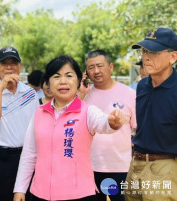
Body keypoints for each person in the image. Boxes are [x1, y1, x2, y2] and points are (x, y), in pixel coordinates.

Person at [13, 55, 126, 201]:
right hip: (40, 194)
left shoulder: (88, 112)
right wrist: (20, 189)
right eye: (56, 76)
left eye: (69, 75)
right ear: (47, 83)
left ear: (79, 81)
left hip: (79, 195)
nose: (63, 81)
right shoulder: (39, 113)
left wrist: (113, 122)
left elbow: (104, 123)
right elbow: (29, 154)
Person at [0, 46, 38, 201]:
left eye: (14, 62)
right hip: (0, 160)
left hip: (26, 158)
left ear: (20, 66)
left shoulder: (30, 94)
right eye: (4, 63)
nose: (9, 67)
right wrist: (1, 88)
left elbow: (37, 127)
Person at [124, 27, 177, 201]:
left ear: (173, 57)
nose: (146, 56)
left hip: (164, 168)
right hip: (136, 165)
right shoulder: (142, 86)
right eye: (144, 50)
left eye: (154, 51)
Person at [82, 50, 136, 201]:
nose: (96, 71)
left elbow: (138, 129)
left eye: (100, 66)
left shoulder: (129, 94)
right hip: (88, 168)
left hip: (120, 168)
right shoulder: (83, 95)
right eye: (91, 67)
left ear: (110, 67)